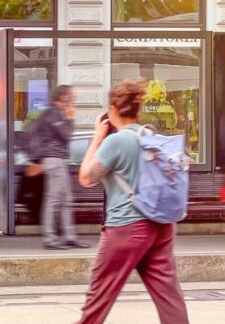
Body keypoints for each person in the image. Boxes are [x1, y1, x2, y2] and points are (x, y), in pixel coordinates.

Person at [77, 79, 189, 324]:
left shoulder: (117, 141)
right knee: (169, 296)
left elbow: (86, 177)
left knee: (99, 298)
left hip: (127, 227)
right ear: (138, 110)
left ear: (113, 109)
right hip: (161, 225)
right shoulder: (151, 136)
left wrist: (97, 138)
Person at [33, 85, 90, 250]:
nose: (73, 98)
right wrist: (70, 118)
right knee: (53, 200)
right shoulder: (53, 113)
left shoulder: (54, 113)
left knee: (65, 200)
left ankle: (69, 236)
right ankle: (50, 238)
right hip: (54, 159)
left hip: (58, 159)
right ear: (63, 97)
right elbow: (66, 136)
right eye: (71, 95)